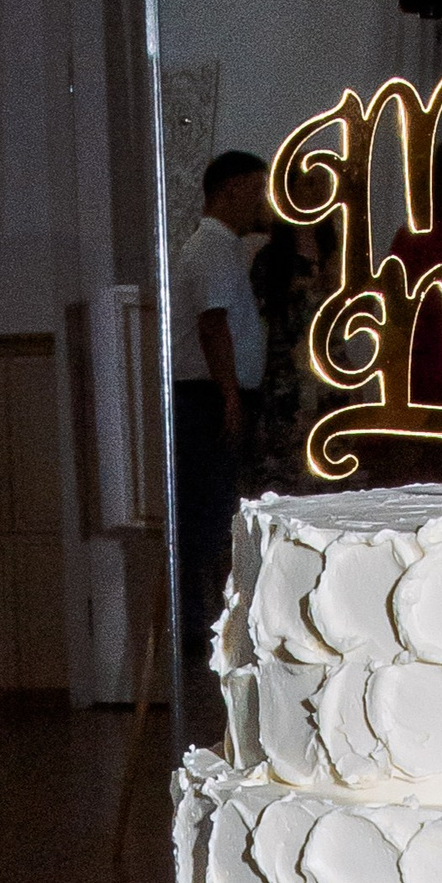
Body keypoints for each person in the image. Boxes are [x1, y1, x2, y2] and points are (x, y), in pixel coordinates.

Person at [169, 148, 269, 662]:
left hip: (216, 393)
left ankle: (202, 620)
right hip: (208, 396)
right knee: (207, 514)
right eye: (254, 191)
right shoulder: (211, 249)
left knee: (213, 508)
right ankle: (198, 628)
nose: (261, 202)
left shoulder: (226, 248)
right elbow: (213, 325)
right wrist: (229, 394)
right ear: (229, 190)